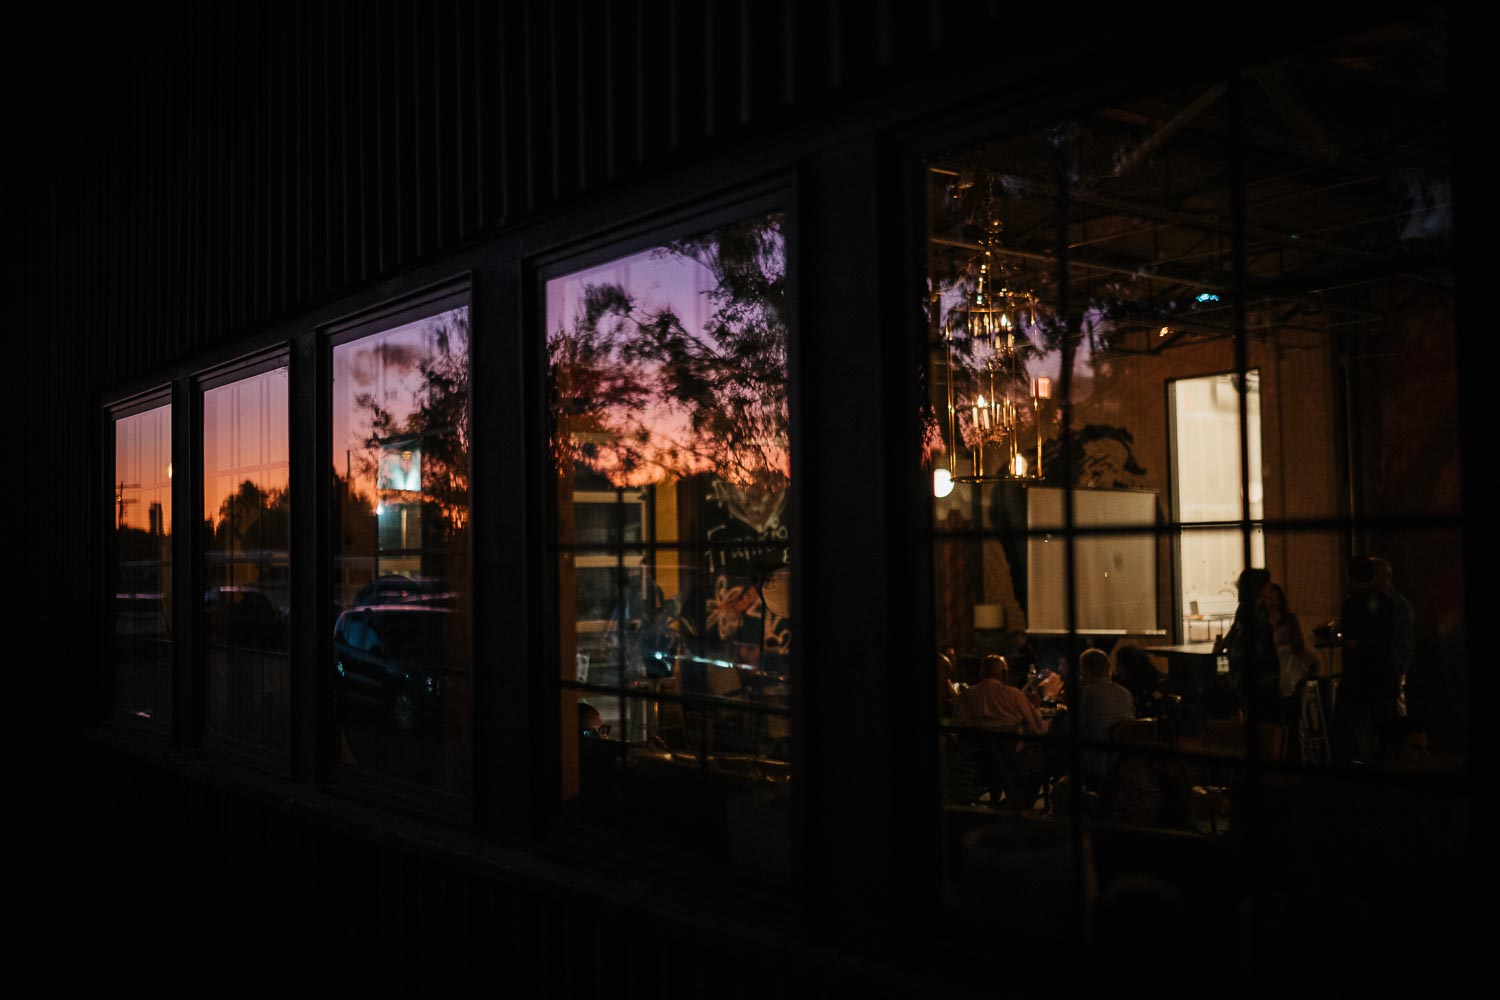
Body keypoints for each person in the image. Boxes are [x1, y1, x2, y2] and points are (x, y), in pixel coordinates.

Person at [1334, 556, 1401, 761]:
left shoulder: (1352, 603)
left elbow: (1352, 642)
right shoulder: (1388, 602)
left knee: (1357, 729)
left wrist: (1337, 637)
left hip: (1360, 678)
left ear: (1349, 576)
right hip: (1385, 673)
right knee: (1386, 730)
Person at [1224, 568, 1280, 723]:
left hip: (1248, 676)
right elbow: (1264, 645)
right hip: (1261, 677)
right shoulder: (1256, 612)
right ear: (1258, 587)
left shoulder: (1244, 609)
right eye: (1266, 584)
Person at [1076, 648, 1136, 787]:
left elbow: (1078, 726)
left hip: (1096, 757)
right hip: (1124, 756)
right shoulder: (1125, 692)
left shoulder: (1088, 692)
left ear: (1086, 669)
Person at [952, 654, 1047, 733]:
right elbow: (1037, 728)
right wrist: (1036, 707)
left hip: (973, 751)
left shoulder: (964, 695)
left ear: (981, 673)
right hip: (1010, 752)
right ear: (1004, 673)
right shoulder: (1015, 695)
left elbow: (958, 722)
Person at [1371, 556, 1415, 716]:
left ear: (1388, 576)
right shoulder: (1376, 602)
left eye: (1376, 573)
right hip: (1383, 668)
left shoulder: (1398, 606)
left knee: (1395, 712)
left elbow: (1403, 640)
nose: (1372, 578)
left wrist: (1399, 667)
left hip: (1392, 668)